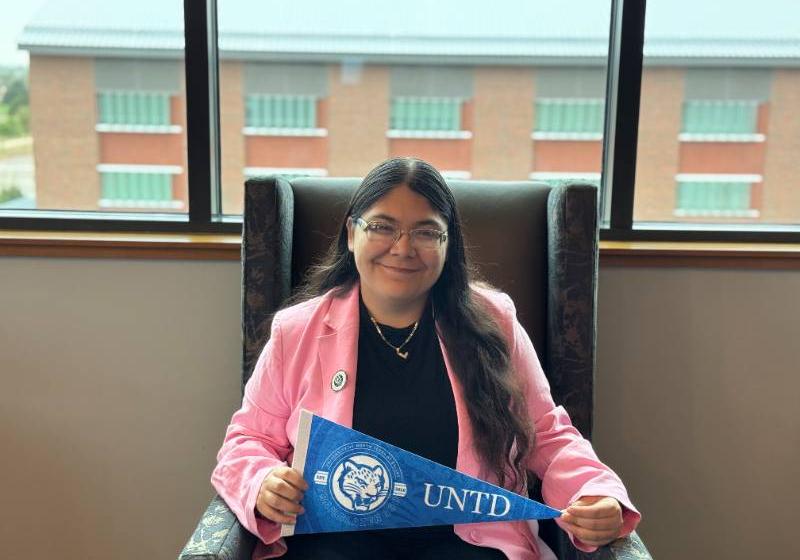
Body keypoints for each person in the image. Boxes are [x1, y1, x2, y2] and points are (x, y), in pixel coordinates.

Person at [211, 157, 641, 560]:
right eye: (382, 227)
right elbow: (248, 440)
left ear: (448, 243)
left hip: (470, 545)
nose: (402, 247)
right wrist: (262, 481)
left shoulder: (495, 321)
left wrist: (591, 491)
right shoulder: (297, 330)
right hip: (333, 547)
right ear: (351, 234)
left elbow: (545, 433)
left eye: (425, 231)